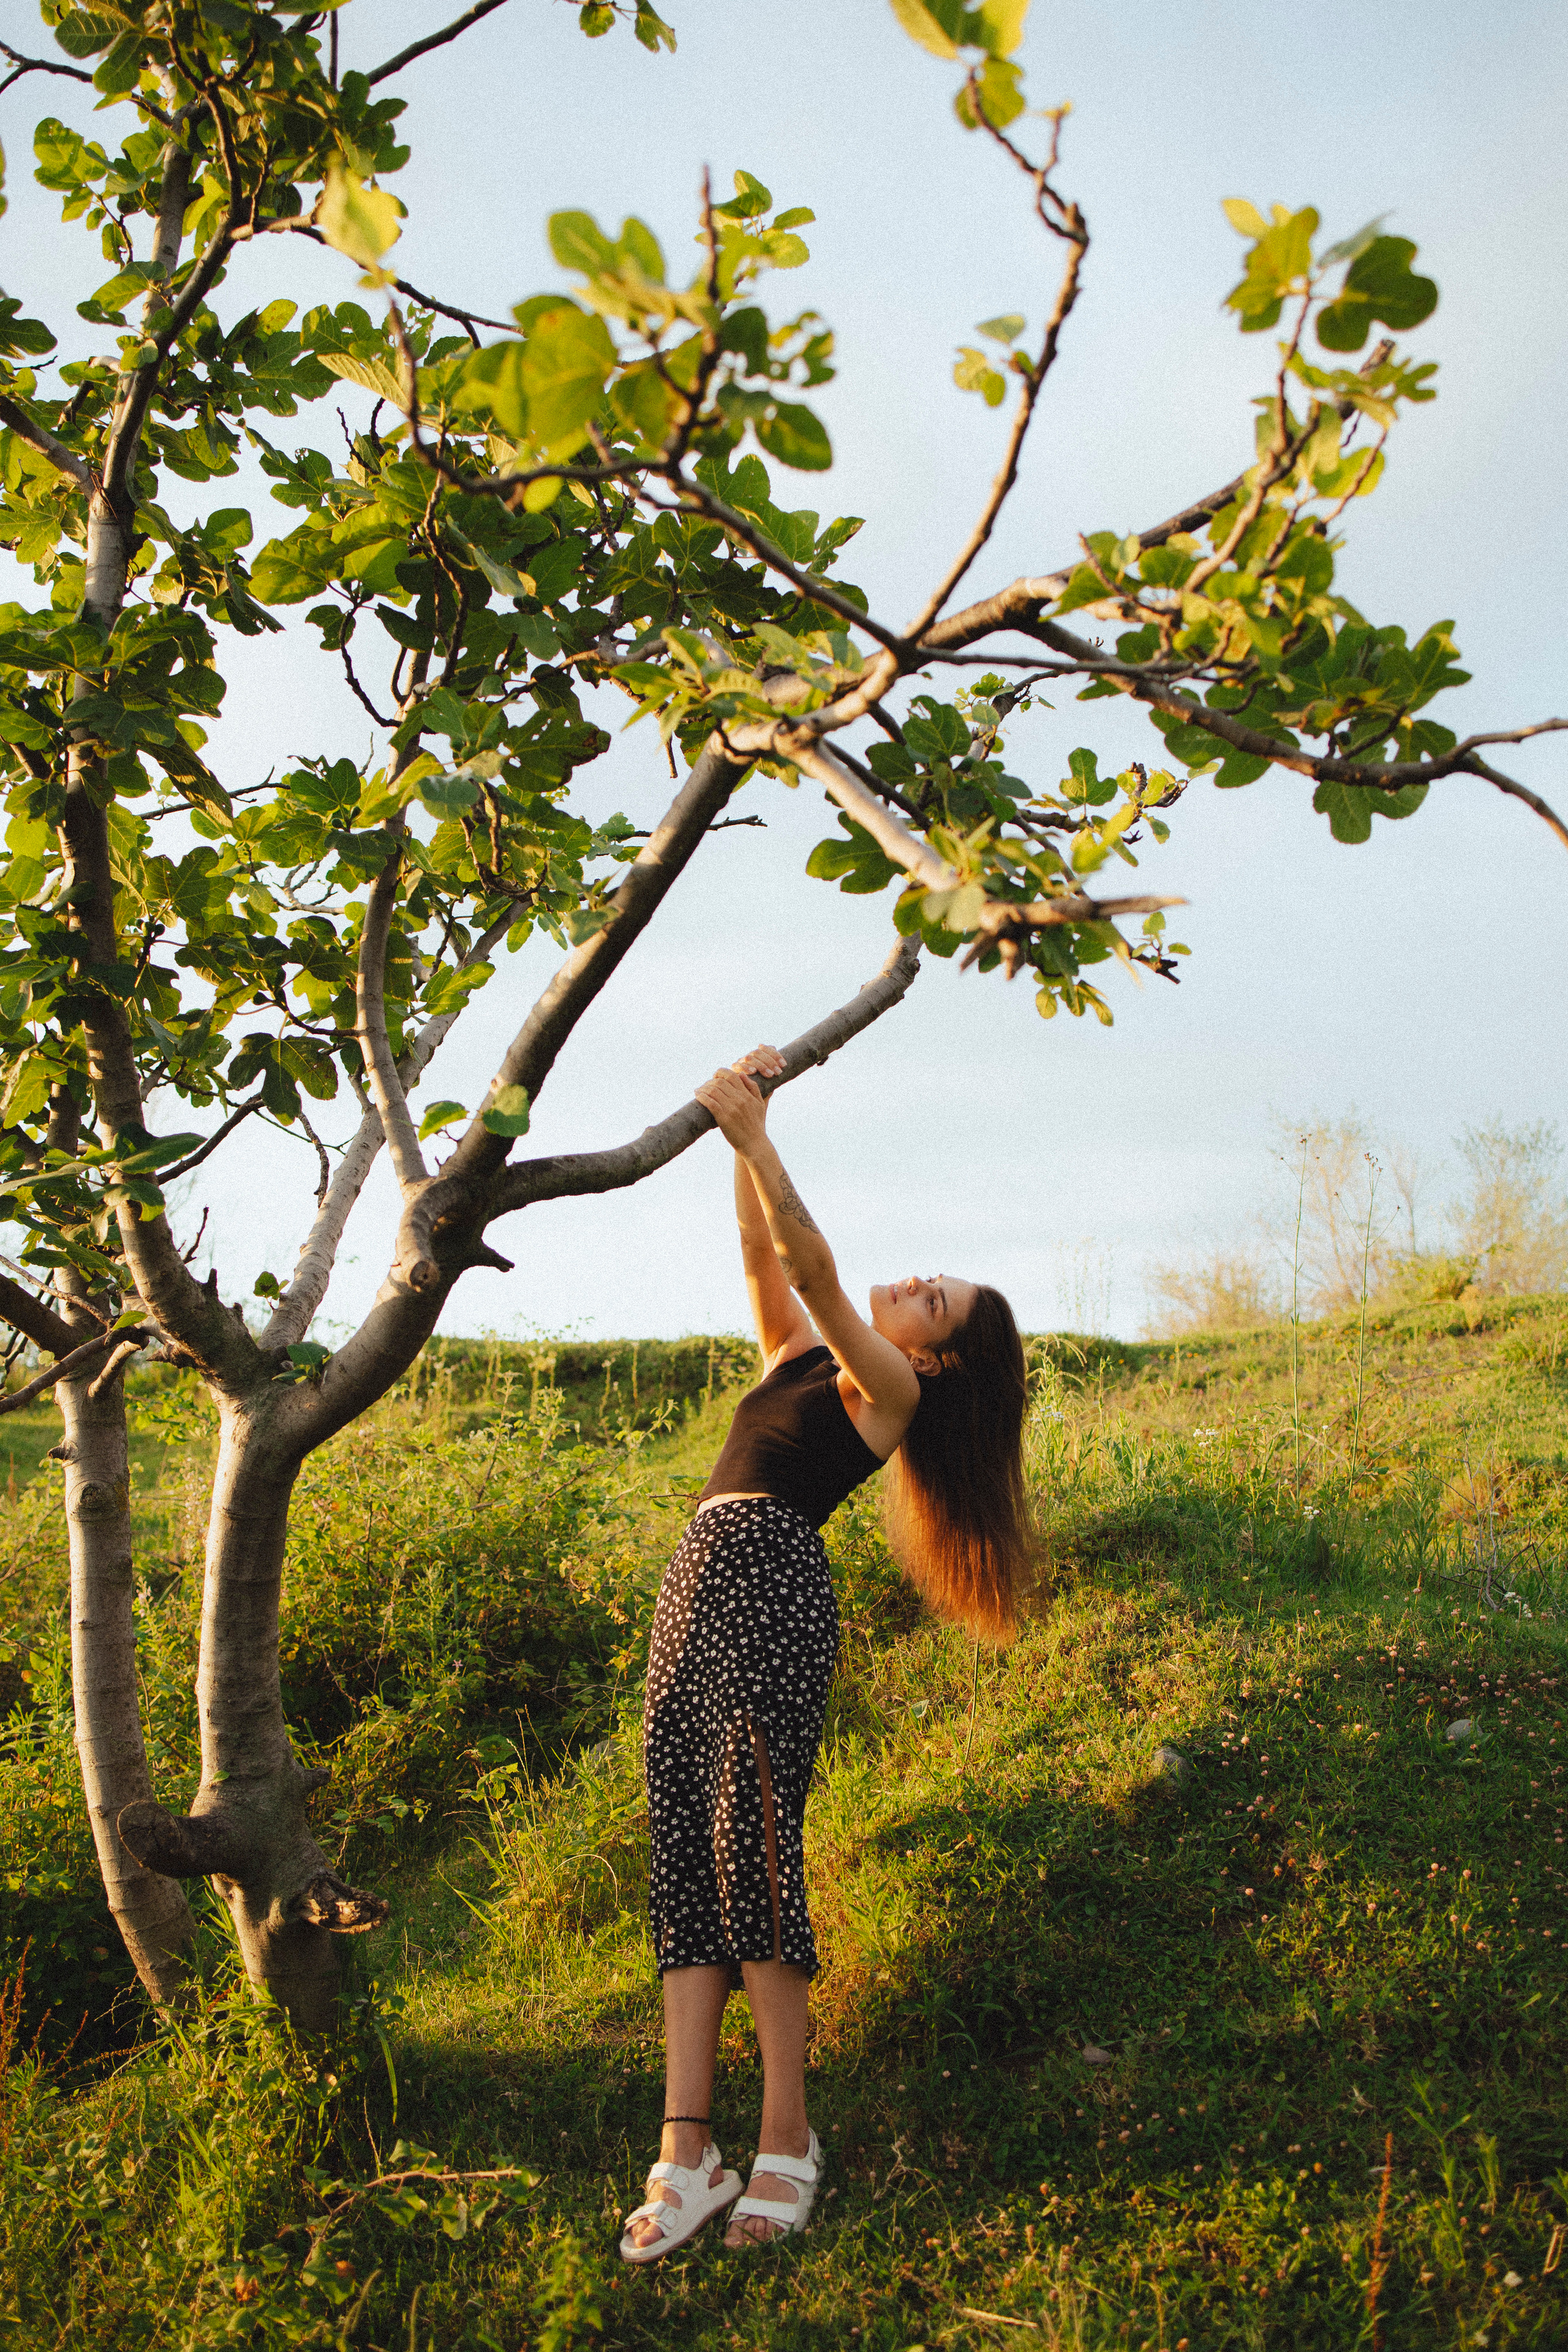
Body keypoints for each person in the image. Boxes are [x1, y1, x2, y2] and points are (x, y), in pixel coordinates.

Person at [618, 1045, 1035, 2264]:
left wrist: (753, 1134)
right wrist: (741, 1125)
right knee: (684, 1868)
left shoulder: (886, 1392)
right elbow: (767, 1260)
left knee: (749, 1849)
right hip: (696, 1582)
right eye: (923, 1282)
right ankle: (685, 2154)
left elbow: (813, 1263)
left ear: (939, 1355)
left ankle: (788, 2142)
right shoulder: (799, 1362)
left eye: (934, 1298)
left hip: (769, 1588)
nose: (912, 1286)